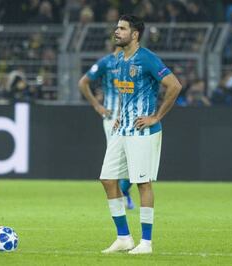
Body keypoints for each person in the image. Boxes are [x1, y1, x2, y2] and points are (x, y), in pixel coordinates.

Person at [99, 15, 182, 255]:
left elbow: (174, 85)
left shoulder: (147, 58)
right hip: (122, 129)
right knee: (107, 179)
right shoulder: (121, 60)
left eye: (122, 28)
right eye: (116, 27)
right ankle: (123, 237)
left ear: (134, 34)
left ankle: (146, 242)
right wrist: (120, 115)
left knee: (142, 183)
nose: (117, 31)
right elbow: (128, 93)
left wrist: (156, 117)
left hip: (142, 132)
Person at [78, 46, 135, 210]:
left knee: (134, 160)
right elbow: (83, 82)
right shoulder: (106, 62)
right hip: (111, 119)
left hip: (131, 117)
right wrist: (97, 106)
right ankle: (121, 195)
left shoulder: (135, 62)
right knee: (119, 159)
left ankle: (124, 191)